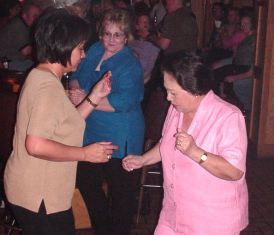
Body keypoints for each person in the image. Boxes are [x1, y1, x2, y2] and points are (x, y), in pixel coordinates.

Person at [4, 8, 118, 235]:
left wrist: (94, 97)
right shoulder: (47, 86)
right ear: (62, 46)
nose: (83, 54)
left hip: (33, 189)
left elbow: (65, 124)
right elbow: (35, 144)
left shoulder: (41, 76)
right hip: (40, 194)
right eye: (79, 48)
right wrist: (85, 154)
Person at [123, 52, 248, 235]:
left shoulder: (228, 116)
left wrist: (196, 152)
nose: (168, 98)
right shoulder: (177, 109)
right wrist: (143, 160)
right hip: (174, 213)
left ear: (193, 89)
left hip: (213, 220)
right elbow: (167, 143)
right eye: (167, 91)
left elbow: (234, 171)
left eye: (173, 92)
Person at [69, 9, 144, 235]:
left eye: (117, 35)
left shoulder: (130, 64)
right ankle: (103, 228)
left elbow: (121, 102)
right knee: (86, 180)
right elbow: (75, 75)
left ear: (126, 37)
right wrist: (75, 89)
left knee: (121, 194)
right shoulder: (94, 50)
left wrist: (86, 99)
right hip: (91, 129)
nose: (110, 40)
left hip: (121, 134)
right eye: (107, 34)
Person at [213, 13, 256, 112]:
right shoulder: (246, 36)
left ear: (252, 24)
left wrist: (235, 76)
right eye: (242, 23)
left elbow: (251, 69)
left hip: (244, 70)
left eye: (246, 23)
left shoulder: (254, 40)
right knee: (215, 72)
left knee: (235, 84)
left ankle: (247, 110)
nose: (243, 26)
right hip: (237, 65)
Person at [0, 0, 41, 71]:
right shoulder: (18, 26)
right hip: (8, 63)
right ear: (25, 16)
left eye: (38, 16)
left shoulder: (25, 25)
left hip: (14, 61)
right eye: (34, 16)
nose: (37, 19)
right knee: (39, 69)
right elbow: (26, 52)